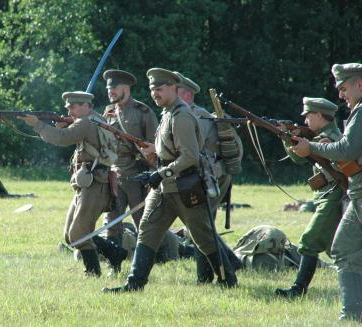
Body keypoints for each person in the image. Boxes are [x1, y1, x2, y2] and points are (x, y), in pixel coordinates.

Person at [103, 68, 237, 293]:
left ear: (174, 89)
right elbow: (169, 151)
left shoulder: (181, 116)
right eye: (152, 89)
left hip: (186, 187)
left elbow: (190, 157)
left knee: (203, 237)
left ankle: (227, 279)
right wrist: (154, 159)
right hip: (165, 188)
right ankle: (134, 284)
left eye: (160, 89)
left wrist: (160, 173)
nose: (155, 93)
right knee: (147, 229)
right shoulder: (167, 114)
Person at [18, 91, 124, 277]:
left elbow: (61, 138)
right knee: (70, 235)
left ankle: (93, 271)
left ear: (86, 106)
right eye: (68, 107)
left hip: (95, 184)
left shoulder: (86, 122)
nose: (70, 110)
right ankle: (113, 252)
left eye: (74, 106)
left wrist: (38, 125)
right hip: (87, 183)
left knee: (78, 234)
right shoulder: (95, 119)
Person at [291, 63, 362, 321]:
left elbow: (345, 151)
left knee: (343, 248)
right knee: (343, 248)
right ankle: (352, 316)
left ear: (359, 84)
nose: (341, 95)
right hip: (357, 193)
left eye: (343, 88)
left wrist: (310, 146)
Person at [174, 71, 242, 283]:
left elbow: (188, 151)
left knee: (200, 226)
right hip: (201, 178)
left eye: (174, 91)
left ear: (185, 95)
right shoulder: (183, 114)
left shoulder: (196, 116)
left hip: (212, 178)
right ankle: (228, 264)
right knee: (202, 226)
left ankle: (207, 276)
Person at [274, 97, 344, 298]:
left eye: (308, 116)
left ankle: (298, 289)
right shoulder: (321, 136)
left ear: (320, 116)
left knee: (309, 241)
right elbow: (298, 156)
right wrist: (286, 136)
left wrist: (289, 137)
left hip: (333, 196)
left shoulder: (329, 138)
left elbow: (300, 155)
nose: (305, 121)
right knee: (337, 250)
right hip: (326, 196)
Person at [102, 69, 158, 249]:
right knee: (111, 223)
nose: (110, 91)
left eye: (115, 88)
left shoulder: (143, 112)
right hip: (115, 177)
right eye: (108, 88)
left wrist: (153, 177)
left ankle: (168, 252)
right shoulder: (108, 111)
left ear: (126, 88)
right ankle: (114, 261)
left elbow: (156, 148)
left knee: (145, 225)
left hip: (138, 177)